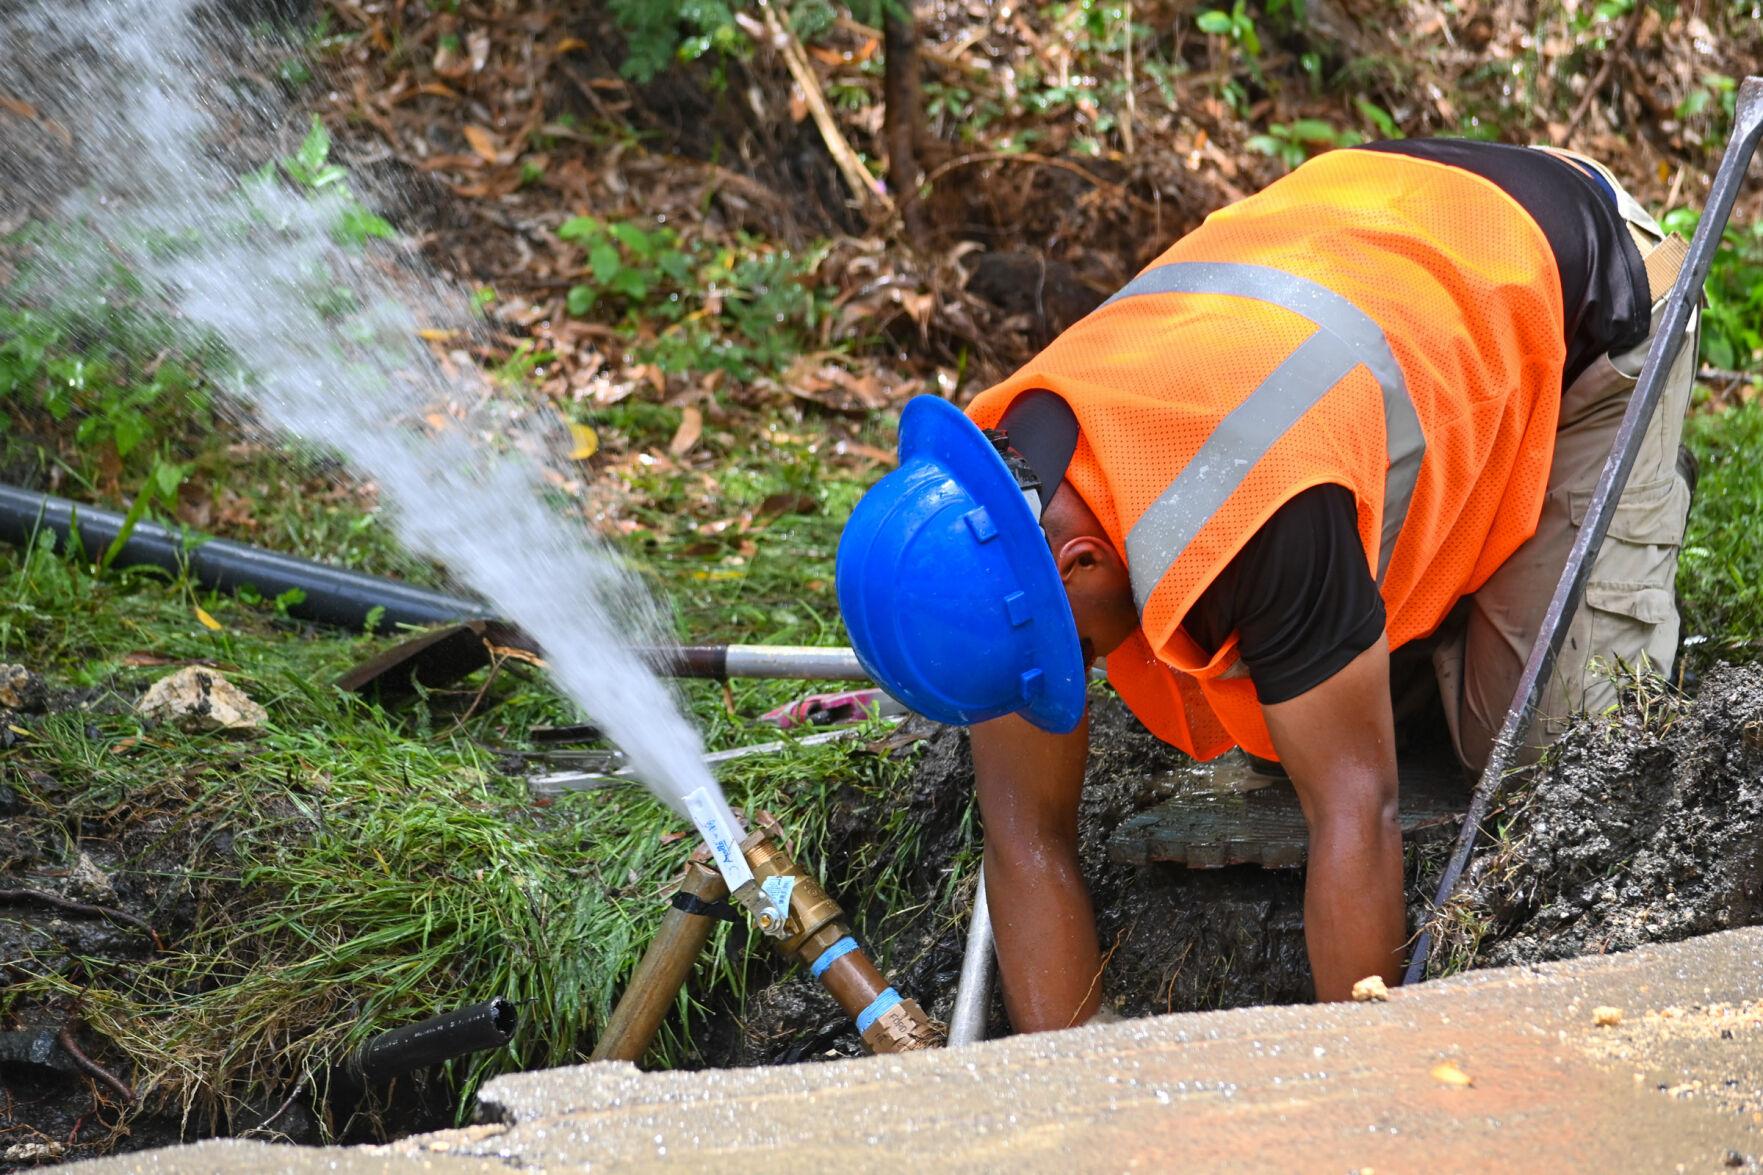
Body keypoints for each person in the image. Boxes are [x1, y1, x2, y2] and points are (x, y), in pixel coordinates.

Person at [834, 139, 1699, 1029]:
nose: (1084, 671)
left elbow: (1356, 807)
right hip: (1386, 264)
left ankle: (1605, 518)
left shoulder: (1254, 500)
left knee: (1545, 760)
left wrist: (1355, 1097)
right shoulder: (990, 511)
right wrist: (1075, 1106)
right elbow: (1025, 837)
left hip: (1581, 303)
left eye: (1078, 651)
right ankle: (1426, 596)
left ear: (1079, 563)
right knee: (1274, 705)